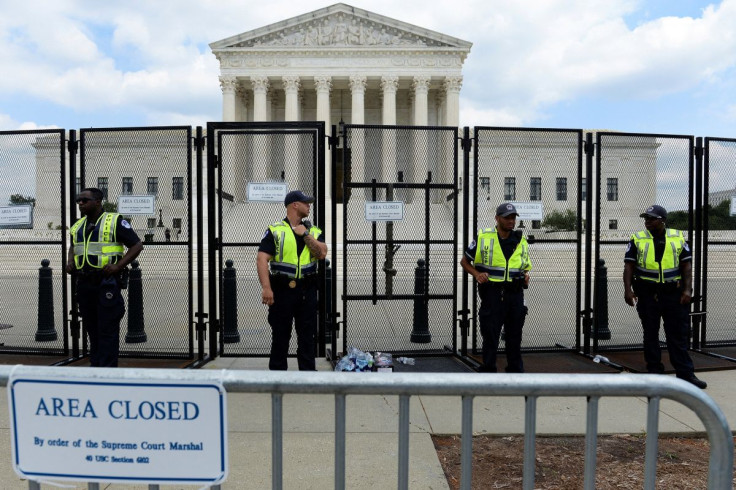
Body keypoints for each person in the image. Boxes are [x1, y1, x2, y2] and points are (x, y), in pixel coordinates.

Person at [623, 205, 707, 389]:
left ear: (662, 220)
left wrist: (687, 291)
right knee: (650, 334)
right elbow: (629, 266)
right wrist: (628, 290)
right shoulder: (637, 239)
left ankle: (685, 374)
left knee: (677, 336)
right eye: (645, 218)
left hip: (673, 295)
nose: (647, 221)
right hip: (647, 295)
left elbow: (687, 266)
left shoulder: (677, 238)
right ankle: (655, 374)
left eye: (651, 218)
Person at [65, 188, 143, 367]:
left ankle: (107, 371)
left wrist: (118, 266)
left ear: (98, 201)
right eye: (78, 200)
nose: (80, 203)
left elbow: (137, 245)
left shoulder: (114, 221)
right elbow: (73, 246)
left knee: (107, 329)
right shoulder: (77, 225)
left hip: (105, 283)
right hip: (84, 283)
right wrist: (70, 261)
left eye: (85, 200)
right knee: (92, 329)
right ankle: (96, 366)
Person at [256, 190, 327, 371]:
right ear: (294, 205)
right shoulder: (275, 230)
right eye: (305, 202)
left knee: (307, 336)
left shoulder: (313, 231)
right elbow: (262, 259)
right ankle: (278, 377)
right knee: (280, 336)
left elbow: (322, 253)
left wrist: (305, 235)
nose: (309, 205)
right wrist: (266, 288)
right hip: (281, 290)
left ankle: (308, 376)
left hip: (307, 290)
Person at [460, 203, 531, 372]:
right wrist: (477, 274)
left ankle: (515, 370)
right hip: (492, 294)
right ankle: (489, 368)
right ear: (497, 218)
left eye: (513, 218)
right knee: (490, 334)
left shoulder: (520, 239)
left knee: (514, 335)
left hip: (515, 294)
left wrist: (526, 276)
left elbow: (525, 265)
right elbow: (464, 261)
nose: (511, 221)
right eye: (507, 218)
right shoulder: (484, 237)